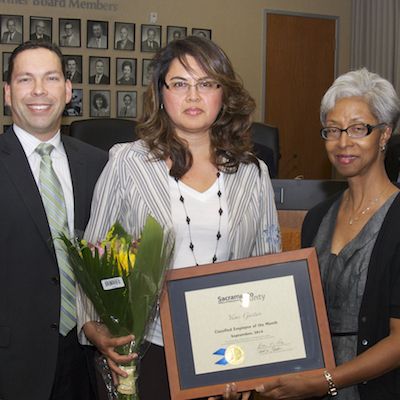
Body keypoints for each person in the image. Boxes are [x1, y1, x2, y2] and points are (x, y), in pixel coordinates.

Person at [77, 35, 281, 400]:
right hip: (150, 346)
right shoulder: (128, 162)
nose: (193, 96)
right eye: (179, 84)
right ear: (161, 93)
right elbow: (95, 254)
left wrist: (261, 357)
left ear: (224, 94)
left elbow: (268, 266)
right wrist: (94, 328)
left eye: (206, 84)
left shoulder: (254, 172)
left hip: (230, 348)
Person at [255, 68, 400, 400]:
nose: (343, 142)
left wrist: (325, 381)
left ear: (384, 134)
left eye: (358, 129)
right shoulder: (317, 219)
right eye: (333, 130)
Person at [0, 40, 107, 400]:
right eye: (25, 79)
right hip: (13, 365)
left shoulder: (100, 164)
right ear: (7, 92)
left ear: (68, 90)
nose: (39, 91)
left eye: (50, 78)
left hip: (88, 360)